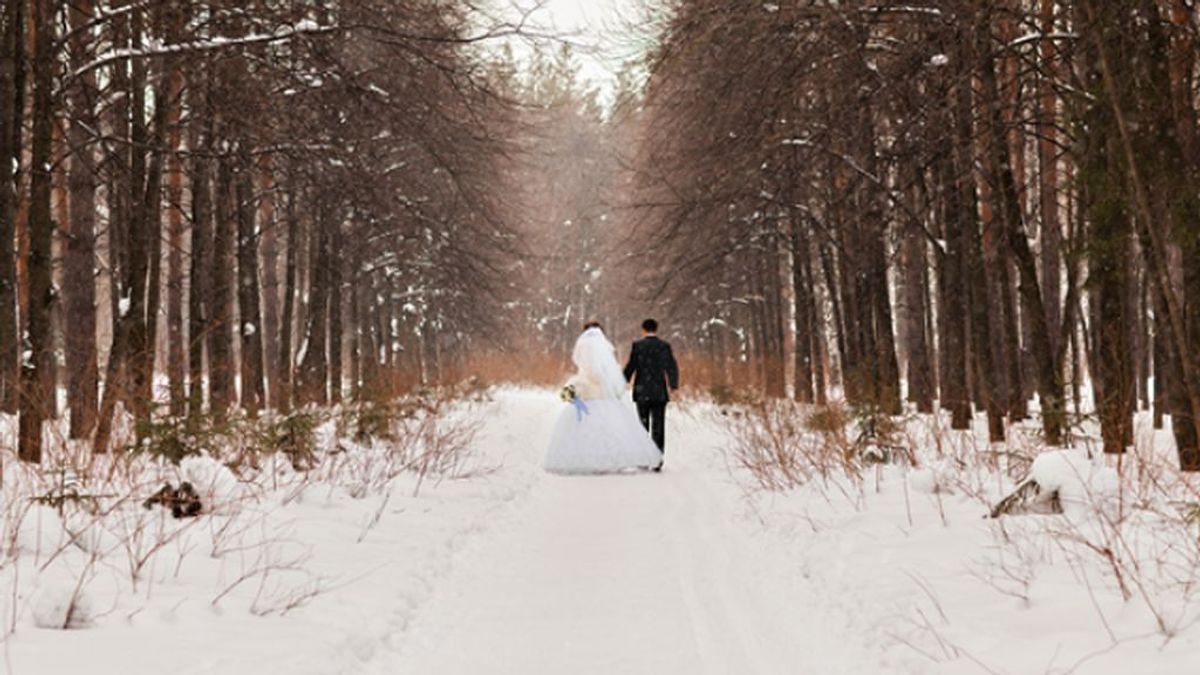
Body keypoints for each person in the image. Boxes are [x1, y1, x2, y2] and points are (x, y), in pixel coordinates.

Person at [543, 322, 664, 474]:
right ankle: (610, 457)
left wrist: (581, 381)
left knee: (584, 425)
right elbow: (607, 368)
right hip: (601, 389)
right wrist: (611, 383)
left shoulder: (581, 345)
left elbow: (581, 364)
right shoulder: (604, 346)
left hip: (586, 386)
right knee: (608, 425)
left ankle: (583, 458)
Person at [623, 319, 679, 471]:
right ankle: (658, 459)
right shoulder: (664, 346)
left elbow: (631, 366)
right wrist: (673, 384)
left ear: (643, 330)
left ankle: (643, 457)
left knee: (643, 425)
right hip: (659, 391)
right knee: (658, 425)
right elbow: (671, 366)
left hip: (642, 391)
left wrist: (623, 381)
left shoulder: (638, 346)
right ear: (656, 329)